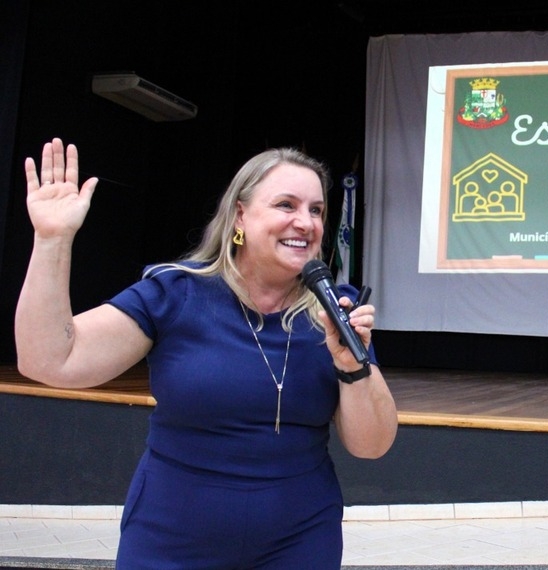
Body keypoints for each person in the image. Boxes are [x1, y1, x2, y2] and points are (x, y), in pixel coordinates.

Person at [15, 138, 398, 569]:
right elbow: (49, 360)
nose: (305, 222)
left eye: (316, 210)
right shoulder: (176, 292)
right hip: (171, 539)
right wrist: (52, 239)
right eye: (286, 205)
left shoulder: (335, 311)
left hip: (299, 540)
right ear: (239, 215)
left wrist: (352, 366)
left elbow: (372, 446)